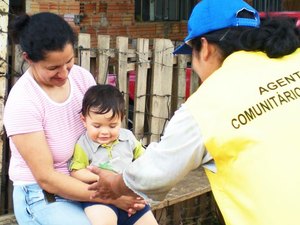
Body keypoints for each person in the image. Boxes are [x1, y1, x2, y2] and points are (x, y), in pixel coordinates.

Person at [87, 0, 300, 225]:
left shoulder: (207, 104)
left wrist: (114, 184)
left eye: (192, 56)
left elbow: (155, 173)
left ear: (205, 47)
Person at [3, 12, 145, 225]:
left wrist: (119, 185)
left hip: (89, 183)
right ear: (29, 59)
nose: (64, 73)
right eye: (52, 68)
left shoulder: (81, 77)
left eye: (68, 62)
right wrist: (113, 197)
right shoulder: (23, 101)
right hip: (43, 196)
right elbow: (46, 178)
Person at [69, 84, 158, 225]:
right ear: (84, 120)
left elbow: (144, 157)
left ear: (121, 119)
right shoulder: (83, 144)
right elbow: (76, 171)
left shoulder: (128, 138)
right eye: (97, 126)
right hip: (101, 199)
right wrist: (104, 178)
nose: (105, 132)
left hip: (129, 193)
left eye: (112, 126)